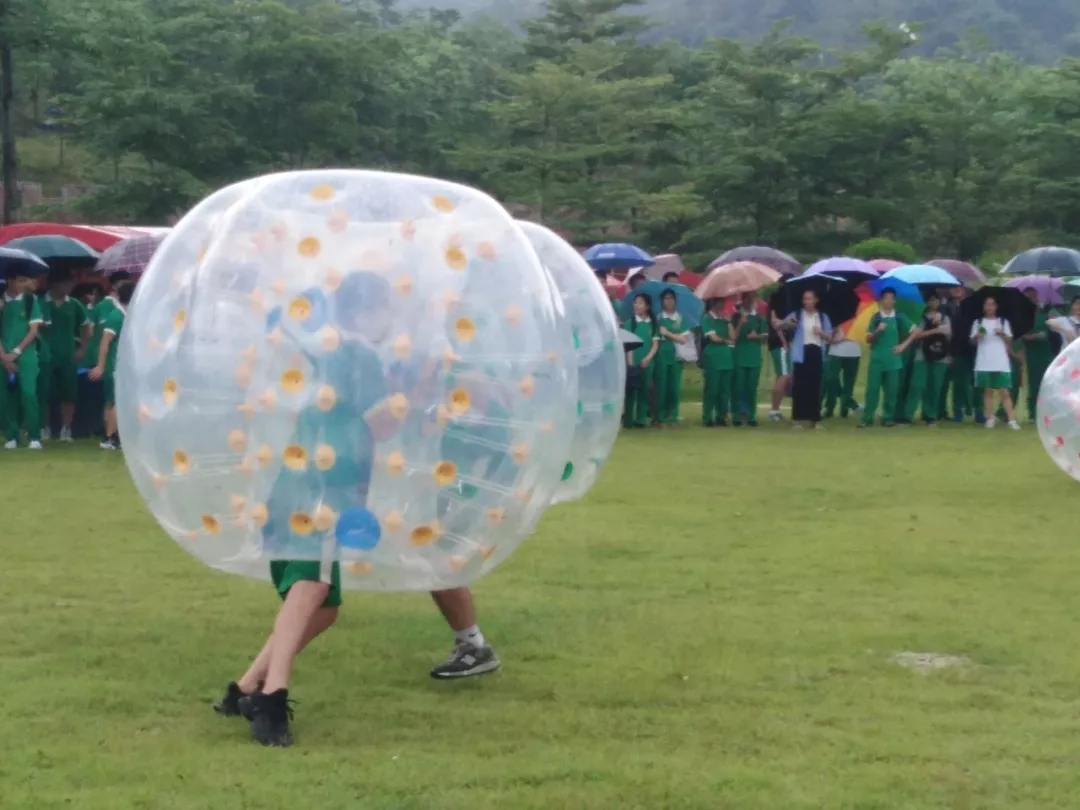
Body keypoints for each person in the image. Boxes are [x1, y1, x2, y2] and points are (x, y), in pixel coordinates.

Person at [41, 274, 90, 441]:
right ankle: (45, 428)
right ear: (55, 283)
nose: (69, 286)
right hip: (46, 354)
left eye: (71, 283)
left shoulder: (74, 304)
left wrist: (82, 347)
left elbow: (86, 327)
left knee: (69, 394)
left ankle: (65, 429)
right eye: (66, 282)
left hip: (68, 355)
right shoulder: (41, 303)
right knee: (45, 392)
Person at [859, 288, 916, 428]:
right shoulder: (876, 317)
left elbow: (915, 331)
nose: (889, 301)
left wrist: (903, 346)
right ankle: (867, 418)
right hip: (877, 360)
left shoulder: (899, 317)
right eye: (886, 298)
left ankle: (888, 418)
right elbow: (868, 338)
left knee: (891, 391)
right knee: (872, 390)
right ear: (881, 300)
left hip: (893, 360)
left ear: (894, 300)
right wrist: (878, 330)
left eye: (891, 298)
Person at [0, 272, 45, 450]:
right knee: (7, 397)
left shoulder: (30, 300)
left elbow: (33, 330)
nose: (23, 284)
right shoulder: (2, 303)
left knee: (29, 394)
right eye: (19, 281)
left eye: (24, 280)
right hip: (3, 356)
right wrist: (4, 357)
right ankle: (12, 435)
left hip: (26, 356)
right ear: (10, 281)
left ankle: (34, 435)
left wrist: (16, 352)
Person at [89, 282, 134, 449]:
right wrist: (101, 366)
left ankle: (111, 435)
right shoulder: (116, 316)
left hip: (119, 365)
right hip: (114, 366)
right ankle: (110, 437)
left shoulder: (125, 315)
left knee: (111, 401)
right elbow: (104, 342)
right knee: (115, 401)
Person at [779, 290, 832, 429]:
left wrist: (820, 333)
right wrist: (789, 324)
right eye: (805, 299)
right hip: (801, 352)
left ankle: (815, 419)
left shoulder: (821, 316)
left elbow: (830, 337)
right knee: (800, 386)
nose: (807, 301)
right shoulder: (797, 314)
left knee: (815, 386)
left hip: (816, 351)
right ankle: (797, 418)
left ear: (816, 300)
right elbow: (781, 326)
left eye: (810, 299)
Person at [970, 295, 1020, 430]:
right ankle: (989, 418)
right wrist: (978, 336)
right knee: (988, 391)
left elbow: (1009, 341)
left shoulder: (1003, 322)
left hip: (1000, 361)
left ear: (996, 307)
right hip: (984, 361)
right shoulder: (978, 322)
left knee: (1004, 391)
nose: (989, 307)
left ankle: (1011, 419)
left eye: (992, 305)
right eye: (987, 304)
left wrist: (1002, 334)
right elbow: (973, 341)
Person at [901, 291, 950, 427]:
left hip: (940, 356)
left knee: (935, 386)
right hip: (922, 354)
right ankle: (907, 415)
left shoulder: (945, 317)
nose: (933, 303)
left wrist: (940, 325)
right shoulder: (921, 317)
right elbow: (916, 335)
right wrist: (935, 330)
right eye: (930, 300)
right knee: (917, 384)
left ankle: (930, 415)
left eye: (936, 300)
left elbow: (949, 335)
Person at [942, 285, 981, 423]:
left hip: (975, 350)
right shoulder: (947, 308)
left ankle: (979, 411)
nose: (957, 291)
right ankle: (958, 411)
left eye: (960, 288)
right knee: (959, 382)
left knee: (977, 382)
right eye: (954, 288)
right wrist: (949, 352)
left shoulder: (975, 308)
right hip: (956, 350)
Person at [622, 293, 658, 428]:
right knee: (630, 391)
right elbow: (628, 345)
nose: (637, 305)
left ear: (647, 306)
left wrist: (648, 359)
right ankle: (628, 419)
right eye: (635, 302)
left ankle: (641, 419)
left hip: (647, 361)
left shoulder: (653, 324)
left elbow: (655, 344)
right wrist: (630, 363)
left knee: (644, 389)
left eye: (640, 303)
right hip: (633, 360)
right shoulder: (630, 323)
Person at [1019, 287, 1054, 422]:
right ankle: (1033, 412)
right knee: (1033, 383)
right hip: (1030, 353)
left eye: (1032, 297)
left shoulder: (1046, 314)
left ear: (1037, 298)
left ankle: (1047, 411)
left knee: (1047, 383)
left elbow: (1046, 334)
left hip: (1045, 352)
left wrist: (1032, 336)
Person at [732, 291, 767, 426]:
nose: (750, 301)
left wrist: (756, 337)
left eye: (753, 298)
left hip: (754, 357)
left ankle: (751, 416)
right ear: (743, 299)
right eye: (748, 298)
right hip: (739, 355)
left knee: (751, 388)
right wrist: (741, 323)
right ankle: (737, 415)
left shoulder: (759, 318)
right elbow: (732, 336)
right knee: (738, 387)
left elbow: (764, 337)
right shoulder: (736, 316)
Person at [655, 289, 688, 428]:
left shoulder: (680, 318)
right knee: (661, 387)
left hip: (676, 356)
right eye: (666, 298)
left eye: (671, 298)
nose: (668, 301)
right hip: (662, 355)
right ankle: (660, 418)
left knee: (674, 388)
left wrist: (668, 333)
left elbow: (683, 339)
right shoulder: (658, 318)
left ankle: (673, 417)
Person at [701, 297, 735, 427]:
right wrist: (725, 341)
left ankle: (721, 416)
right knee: (712, 388)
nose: (722, 304)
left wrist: (729, 322)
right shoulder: (707, 318)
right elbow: (713, 338)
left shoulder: (724, 319)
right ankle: (707, 416)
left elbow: (732, 336)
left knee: (724, 389)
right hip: (713, 356)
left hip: (726, 357)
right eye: (720, 301)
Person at [822, 324, 862, 419]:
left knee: (849, 383)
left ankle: (844, 409)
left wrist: (844, 338)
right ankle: (830, 407)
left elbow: (862, 333)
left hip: (853, 352)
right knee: (831, 378)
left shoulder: (859, 317)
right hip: (835, 351)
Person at [766, 310, 790, 422]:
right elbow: (774, 321)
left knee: (780, 374)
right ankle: (774, 410)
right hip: (779, 343)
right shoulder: (777, 301)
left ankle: (775, 409)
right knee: (785, 375)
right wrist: (783, 340)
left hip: (776, 343)